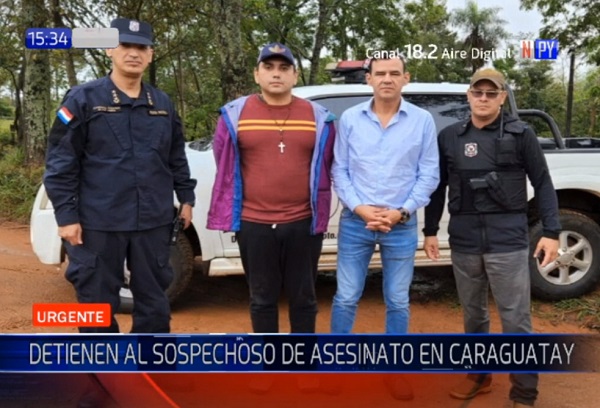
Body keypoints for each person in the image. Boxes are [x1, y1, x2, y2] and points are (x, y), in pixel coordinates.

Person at [44, 18, 196, 333]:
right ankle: (104, 364)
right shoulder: (83, 99)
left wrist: (186, 198)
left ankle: (150, 362)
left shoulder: (162, 103)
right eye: (125, 45)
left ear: (150, 54)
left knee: (155, 303)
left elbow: (175, 156)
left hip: (152, 221)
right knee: (95, 304)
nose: (133, 53)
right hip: (99, 222)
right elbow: (60, 161)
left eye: (141, 47)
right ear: (110, 49)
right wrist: (67, 216)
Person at [423, 68, 561, 408]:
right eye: (477, 92)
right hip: (464, 241)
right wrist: (430, 230)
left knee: (515, 318)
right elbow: (437, 188)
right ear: (468, 95)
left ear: (502, 98)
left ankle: (524, 393)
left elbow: (543, 183)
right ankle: (479, 376)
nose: (483, 98)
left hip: (507, 242)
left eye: (491, 93)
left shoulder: (521, 134)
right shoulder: (450, 136)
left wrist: (552, 232)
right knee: (473, 315)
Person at [206, 42, 336, 333]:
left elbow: (330, 163)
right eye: (268, 67)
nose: (276, 73)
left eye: (284, 67)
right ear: (257, 74)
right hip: (254, 224)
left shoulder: (318, 117)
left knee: (304, 298)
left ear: (295, 75)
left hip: (303, 222)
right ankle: (270, 358)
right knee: (262, 299)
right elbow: (224, 162)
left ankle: (302, 358)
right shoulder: (234, 115)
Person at [330, 56, 440, 335]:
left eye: (394, 73)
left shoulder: (422, 120)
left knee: (398, 300)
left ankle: (394, 359)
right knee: (346, 296)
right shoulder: (351, 119)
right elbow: (339, 170)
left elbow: (429, 174)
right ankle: (337, 356)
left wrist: (401, 212)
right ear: (369, 78)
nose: (387, 79)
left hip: (401, 223)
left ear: (406, 77)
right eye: (380, 73)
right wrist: (360, 208)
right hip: (356, 222)